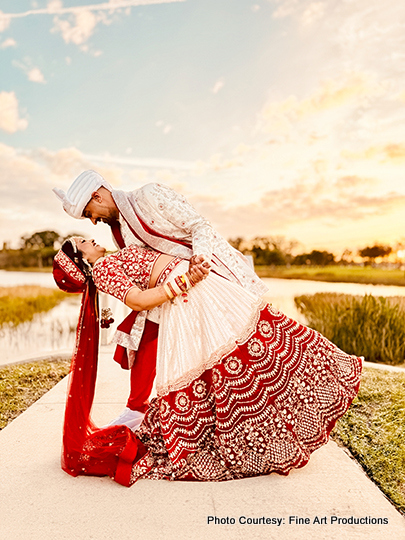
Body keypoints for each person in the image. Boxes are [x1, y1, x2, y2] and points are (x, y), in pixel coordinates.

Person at [53, 236, 362, 487]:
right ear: (81, 259)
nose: (90, 239)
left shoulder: (113, 255)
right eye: (82, 242)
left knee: (254, 336)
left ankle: (284, 414)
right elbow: (136, 299)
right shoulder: (104, 267)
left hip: (194, 285)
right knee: (241, 349)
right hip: (187, 292)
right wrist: (185, 280)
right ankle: (262, 429)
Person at [53, 170, 267, 429]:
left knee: (244, 344)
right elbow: (139, 274)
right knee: (144, 332)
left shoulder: (148, 195)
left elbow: (200, 225)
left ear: (97, 196)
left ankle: (254, 408)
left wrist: (199, 259)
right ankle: (137, 408)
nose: (93, 222)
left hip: (210, 272)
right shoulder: (117, 234)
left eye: (89, 214)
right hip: (180, 288)